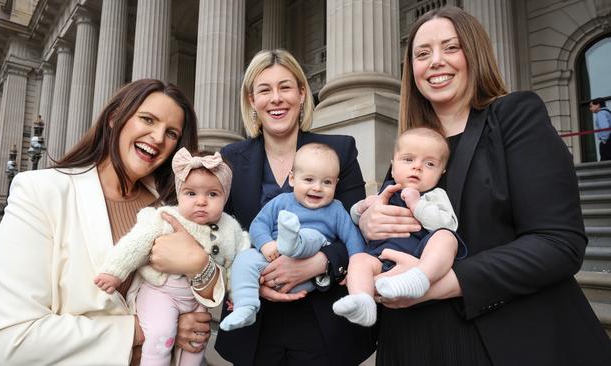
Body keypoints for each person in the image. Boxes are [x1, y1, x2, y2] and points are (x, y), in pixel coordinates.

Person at [357, 6, 611, 365]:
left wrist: (437, 285)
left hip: (500, 338)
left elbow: (558, 243)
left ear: (473, 53)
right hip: (412, 342)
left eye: (451, 47)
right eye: (422, 53)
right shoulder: (413, 144)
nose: (436, 62)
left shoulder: (515, 116)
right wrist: (369, 223)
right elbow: (396, 226)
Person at [0, 79, 219, 365]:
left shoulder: (172, 208)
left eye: (171, 133)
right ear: (113, 118)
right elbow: (13, 338)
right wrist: (143, 329)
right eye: (147, 119)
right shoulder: (40, 192)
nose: (158, 137)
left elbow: (207, 296)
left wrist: (201, 267)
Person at [214, 49, 376, 365]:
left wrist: (317, 263)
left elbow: (358, 234)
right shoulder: (230, 158)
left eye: (285, 87)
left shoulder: (339, 151)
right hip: (256, 326)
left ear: (302, 94)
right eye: (265, 89)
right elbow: (221, 234)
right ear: (252, 100)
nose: (276, 98)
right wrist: (253, 281)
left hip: (324, 321)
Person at [94, 148, 250, 365]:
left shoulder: (231, 228)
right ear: (179, 194)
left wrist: (239, 296)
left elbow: (239, 262)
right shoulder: (166, 217)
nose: (201, 201)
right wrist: (114, 271)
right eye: (191, 193)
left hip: (197, 299)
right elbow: (136, 243)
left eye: (212, 194)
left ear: (225, 196)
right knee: (161, 334)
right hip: (161, 292)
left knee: (196, 344)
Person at [220, 143, 365, 331]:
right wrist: (265, 244)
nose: (317, 188)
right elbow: (258, 225)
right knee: (245, 259)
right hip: (272, 259)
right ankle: (246, 307)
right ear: (292, 179)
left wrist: (355, 267)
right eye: (309, 179)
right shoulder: (281, 201)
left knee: (311, 236)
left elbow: (353, 239)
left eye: (327, 182)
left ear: (336, 183)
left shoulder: (335, 209)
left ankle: (293, 241)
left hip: (308, 266)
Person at [333, 127, 466, 327]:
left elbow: (448, 224)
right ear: (393, 167)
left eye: (429, 163)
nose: (417, 167)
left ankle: (421, 278)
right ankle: (363, 302)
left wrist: (417, 205)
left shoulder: (434, 196)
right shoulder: (386, 191)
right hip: (382, 257)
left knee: (446, 238)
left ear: (441, 173)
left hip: (419, 258)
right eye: (408, 160)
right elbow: (354, 216)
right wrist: (362, 209)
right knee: (359, 260)